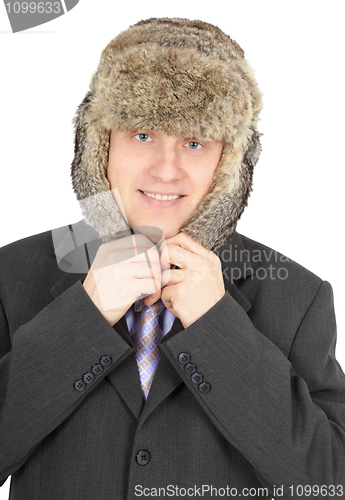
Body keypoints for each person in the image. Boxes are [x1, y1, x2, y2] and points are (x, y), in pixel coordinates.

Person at [0, 17, 344, 500]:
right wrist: (86, 315)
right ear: (101, 145)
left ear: (228, 163)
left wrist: (218, 327)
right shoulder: (12, 274)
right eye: (143, 134)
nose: (166, 169)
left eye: (194, 141)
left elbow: (330, 482)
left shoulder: (298, 296)